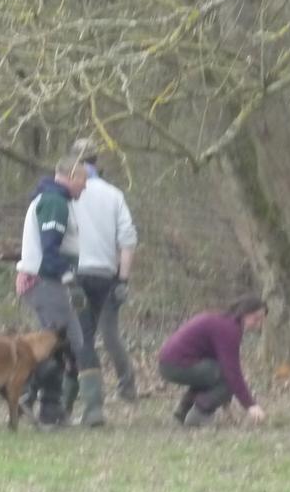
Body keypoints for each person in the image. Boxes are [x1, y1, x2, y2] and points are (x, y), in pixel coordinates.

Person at [15, 154, 100, 427]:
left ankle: (39, 402)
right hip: (45, 281)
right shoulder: (54, 202)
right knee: (66, 343)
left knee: (60, 345)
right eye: (83, 181)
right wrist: (68, 279)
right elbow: (50, 251)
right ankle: (29, 395)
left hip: (44, 281)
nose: (85, 187)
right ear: (71, 176)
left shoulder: (56, 200)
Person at [68, 137, 139, 403]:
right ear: (96, 161)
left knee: (79, 335)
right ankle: (127, 386)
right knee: (110, 334)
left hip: (75, 274)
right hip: (107, 275)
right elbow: (128, 239)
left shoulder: (68, 193)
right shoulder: (113, 194)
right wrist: (123, 278)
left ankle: (83, 395)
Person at [158, 295, 269, 428]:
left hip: (168, 363)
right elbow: (232, 373)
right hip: (177, 364)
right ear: (244, 313)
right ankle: (198, 416)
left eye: (261, 320)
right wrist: (251, 406)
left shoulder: (222, 321)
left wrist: (227, 407)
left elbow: (217, 366)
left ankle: (183, 412)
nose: (258, 325)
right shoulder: (230, 330)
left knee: (213, 374)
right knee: (227, 378)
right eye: (256, 319)